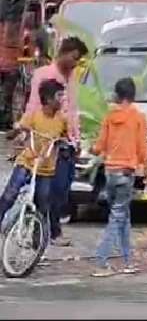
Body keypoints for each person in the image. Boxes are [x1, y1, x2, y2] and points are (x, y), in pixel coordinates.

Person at [24, 36, 87, 247]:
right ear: (65, 53)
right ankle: (39, 232)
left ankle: (50, 230)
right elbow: (33, 105)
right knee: (45, 191)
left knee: (62, 189)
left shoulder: (71, 78)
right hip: (47, 142)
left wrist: (76, 138)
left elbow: (72, 110)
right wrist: (29, 133)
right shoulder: (45, 74)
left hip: (66, 142)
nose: (76, 63)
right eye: (75, 58)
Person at [91, 78, 147, 277]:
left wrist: (90, 148)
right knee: (117, 218)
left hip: (110, 172)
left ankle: (126, 261)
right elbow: (142, 148)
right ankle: (100, 261)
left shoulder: (108, 117)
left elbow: (99, 146)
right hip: (126, 172)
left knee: (123, 217)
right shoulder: (138, 117)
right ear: (133, 96)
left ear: (116, 95)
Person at [0, 80, 67, 233]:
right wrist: (17, 129)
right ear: (49, 99)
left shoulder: (62, 120)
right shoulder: (33, 116)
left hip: (46, 169)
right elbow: (15, 132)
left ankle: (38, 242)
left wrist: (69, 143)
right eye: (59, 95)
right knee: (10, 194)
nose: (62, 99)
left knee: (43, 205)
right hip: (27, 163)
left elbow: (66, 136)